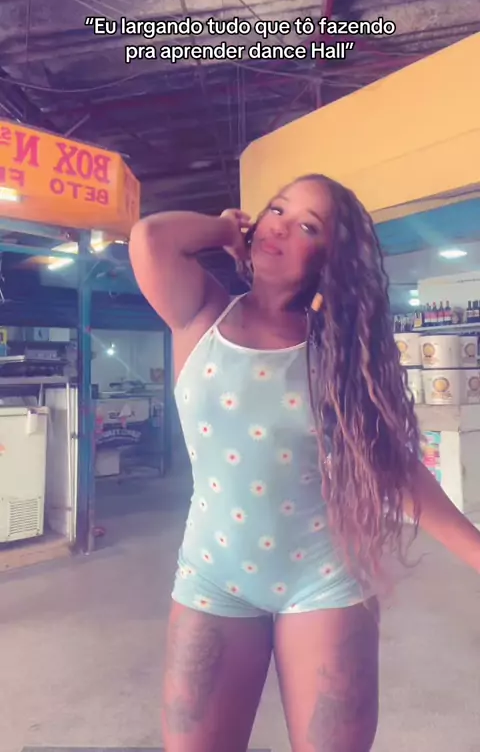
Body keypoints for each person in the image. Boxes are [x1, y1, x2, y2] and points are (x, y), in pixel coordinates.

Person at [129, 174, 480, 752]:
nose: (280, 227)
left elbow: (392, 469)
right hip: (213, 575)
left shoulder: (339, 357)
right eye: (276, 210)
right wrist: (223, 229)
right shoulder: (201, 314)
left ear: (330, 260)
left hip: (325, 579)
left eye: (308, 227)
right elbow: (150, 240)